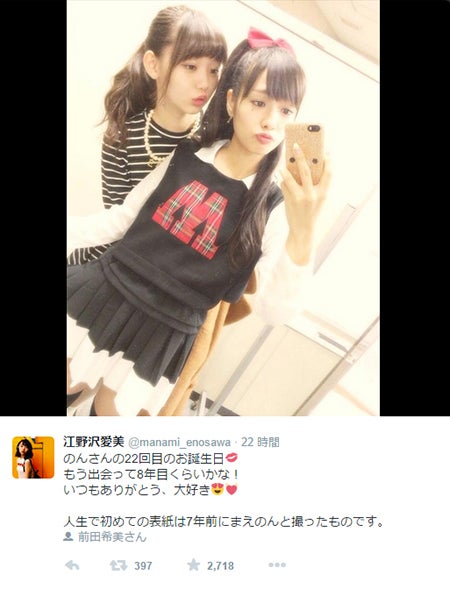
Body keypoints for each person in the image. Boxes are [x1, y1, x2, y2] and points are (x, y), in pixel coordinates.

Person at [67, 27, 332, 417]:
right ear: (232, 101)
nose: (270, 121)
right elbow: (120, 220)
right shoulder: (187, 154)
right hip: (107, 293)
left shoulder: (274, 205)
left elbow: (274, 312)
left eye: (286, 110)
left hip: (163, 336)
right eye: (259, 102)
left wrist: (305, 229)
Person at [67, 4, 228, 266]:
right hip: (102, 264)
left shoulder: (213, 142)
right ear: (153, 65)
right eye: (190, 66)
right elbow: (117, 225)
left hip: (156, 275)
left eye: (214, 70)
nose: (205, 83)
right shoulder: (123, 135)